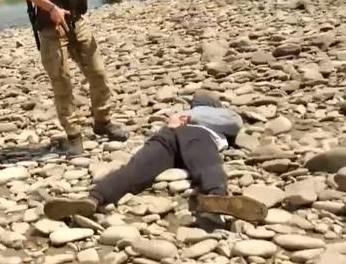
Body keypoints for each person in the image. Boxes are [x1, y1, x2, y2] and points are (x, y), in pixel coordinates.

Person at [43, 91, 269, 223]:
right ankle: (216, 196)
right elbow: (235, 124)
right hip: (195, 134)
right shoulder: (217, 113)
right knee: (206, 161)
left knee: (134, 170)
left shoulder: (181, 113)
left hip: (166, 135)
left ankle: (94, 198)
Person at [19, 0, 130, 157]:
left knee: (97, 71)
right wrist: (51, 8)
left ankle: (103, 122)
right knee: (62, 80)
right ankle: (73, 135)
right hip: (50, 25)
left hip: (75, 19)